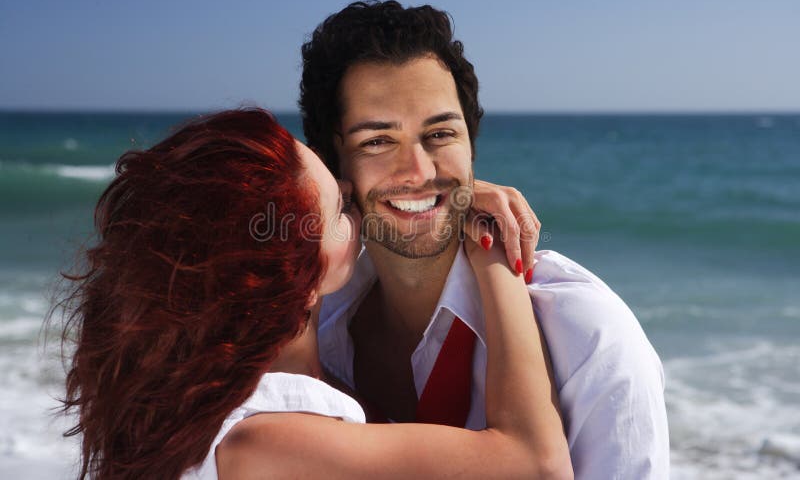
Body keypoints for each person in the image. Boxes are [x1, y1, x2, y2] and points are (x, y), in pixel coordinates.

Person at [55, 108, 572, 479]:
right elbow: (537, 464)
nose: (360, 213)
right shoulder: (262, 441)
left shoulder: (228, 406)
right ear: (291, 276)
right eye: (341, 210)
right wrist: (492, 253)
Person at [300, 0, 670, 478]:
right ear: (333, 166)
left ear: (471, 146)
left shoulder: (586, 337)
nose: (419, 172)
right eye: (377, 141)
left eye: (440, 134)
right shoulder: (315, 327)